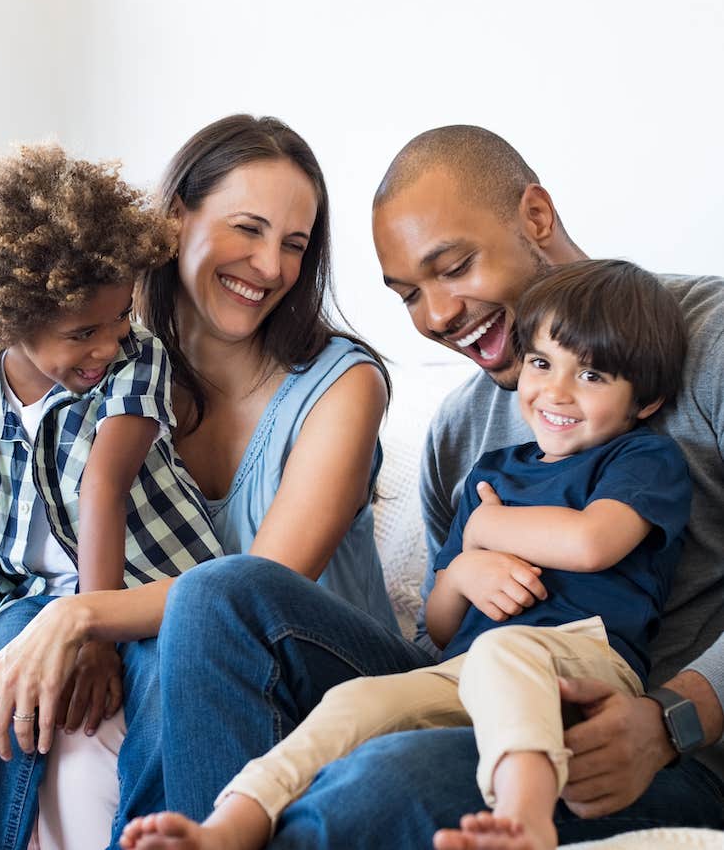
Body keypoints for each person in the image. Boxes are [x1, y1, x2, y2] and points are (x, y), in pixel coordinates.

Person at [125, 126, 724, 847]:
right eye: (409, 293)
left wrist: (673, 719)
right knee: (216, 593)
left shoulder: (709, 339)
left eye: (455, 266)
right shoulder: (461, 430)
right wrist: (465, 568)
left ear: (535, 218)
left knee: (378, 781)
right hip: (478, 688)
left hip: (652, 735)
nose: (437, 316)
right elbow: (445, 634)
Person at [0, 115, 398, 848]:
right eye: (247, 228)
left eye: (294, 243)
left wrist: (81, 617)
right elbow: (25, 545)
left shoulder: (340, 386)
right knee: (21, 658)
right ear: (175, 217)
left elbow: (258, 588)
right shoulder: (102, 362)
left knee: (196, 621)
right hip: (181, 648)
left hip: (317, 668)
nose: (272, 265)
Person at [0, 141, 222, 850]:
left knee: (164, 684)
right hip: (35, 603)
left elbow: (103, 487)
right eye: (82, 332)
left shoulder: (134, 360)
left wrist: (93, 629)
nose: (107, 343)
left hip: (156, 588)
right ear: (6, 320)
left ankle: (147, 838)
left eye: (119, 317)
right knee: (0, 666)